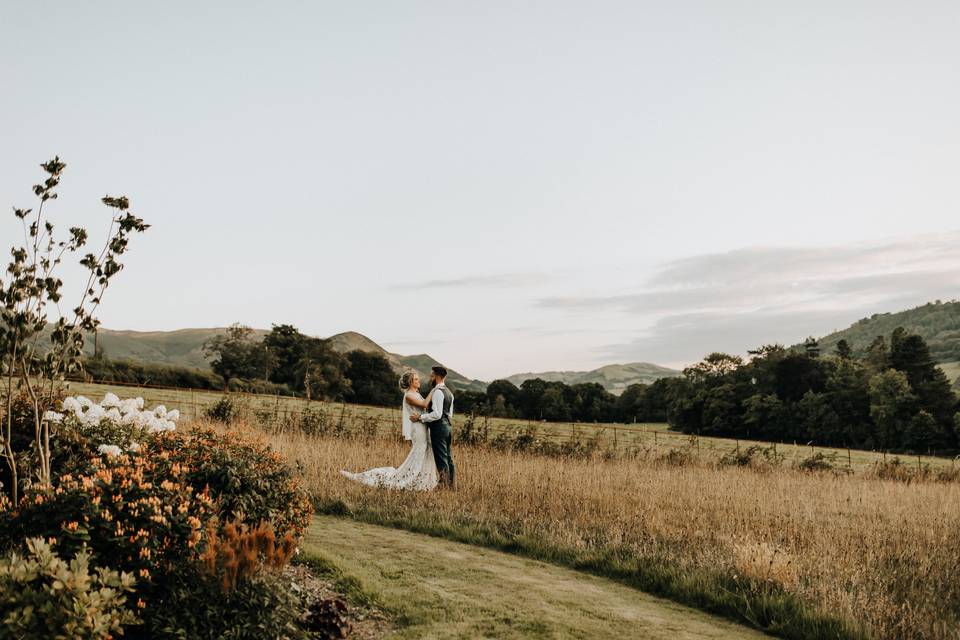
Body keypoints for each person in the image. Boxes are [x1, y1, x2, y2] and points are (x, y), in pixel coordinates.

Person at [339, 370, 438, 491]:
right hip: (418, 428)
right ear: (411, 382)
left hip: (423, 426)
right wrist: (434, 390)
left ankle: (422, 480)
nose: (419, 381)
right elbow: (424, 405)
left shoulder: (416, 393)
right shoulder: (409, 396)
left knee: (426, 451)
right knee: (419, 452)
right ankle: (408, 479)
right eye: (416, 379)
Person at [411, 365, 455, 488]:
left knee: (441, 457)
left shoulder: (437, 392)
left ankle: (443, 485)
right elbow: (449, 414)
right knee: (448, 457)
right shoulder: (450, 393)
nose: (430, 377)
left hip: (439, 428)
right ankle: (451, 485)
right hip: (447, 427)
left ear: (436, 376)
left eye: (431, 375)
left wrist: (420, 417)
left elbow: (436, 414)